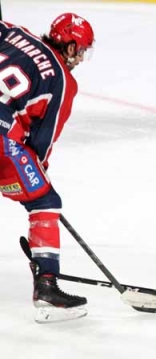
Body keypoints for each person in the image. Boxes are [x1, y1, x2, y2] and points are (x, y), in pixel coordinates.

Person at [0, 13, 95, 323]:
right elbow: (41, 142)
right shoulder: (62, 81)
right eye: (80, 50)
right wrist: (38, 175)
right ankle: (47, 285)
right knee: (45, 201)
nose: (80, 58)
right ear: (68, 47)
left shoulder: (14, 32)